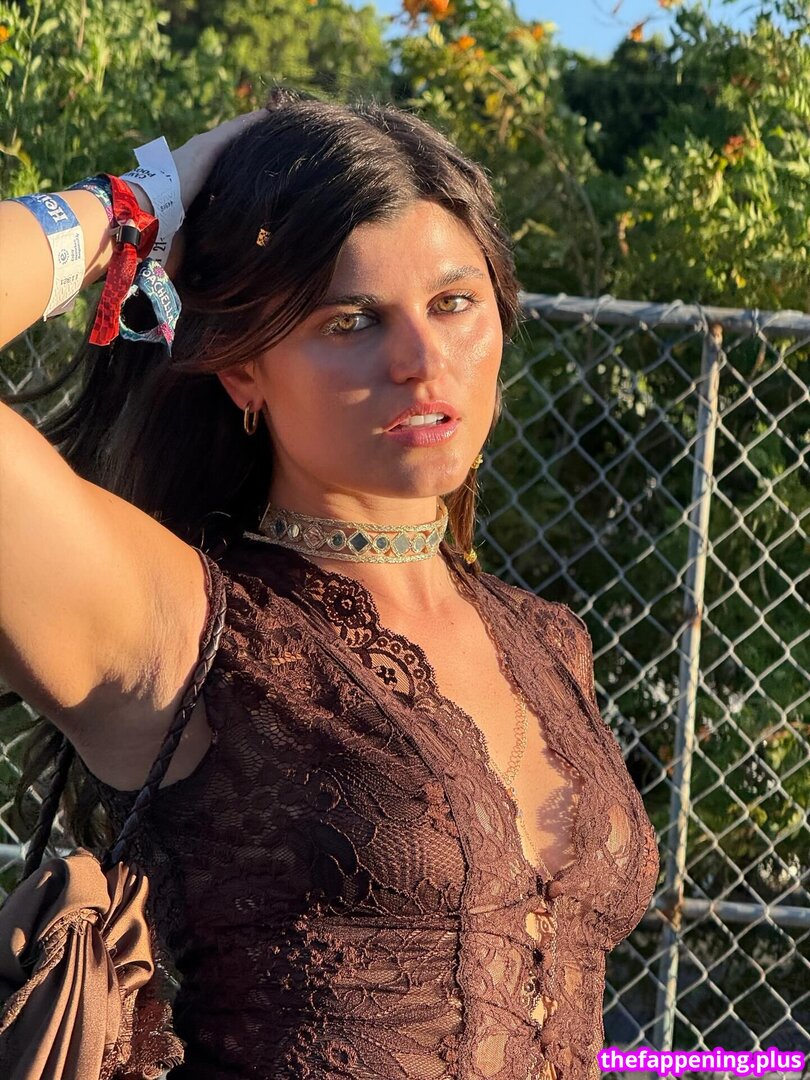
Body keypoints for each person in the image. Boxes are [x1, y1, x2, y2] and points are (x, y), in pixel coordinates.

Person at [0, 89, 659, 1079]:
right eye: (350, 320)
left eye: (454, 303)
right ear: (243, 371)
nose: (423, 361)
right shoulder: (178, 622)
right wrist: (146, 199)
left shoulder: (547, 641)